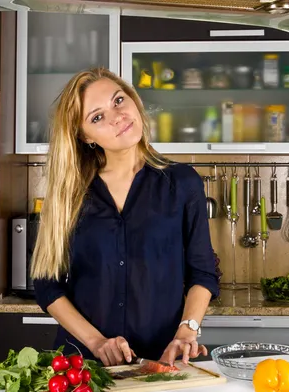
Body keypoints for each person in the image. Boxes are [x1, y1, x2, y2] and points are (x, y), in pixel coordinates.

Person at [30, 67, 219, 367]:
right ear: (84, 136)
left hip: (161, 361)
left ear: (133, 100)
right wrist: (96, 342)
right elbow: (46, 283)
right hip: (83, 368)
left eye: (118, 100)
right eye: (97, 117)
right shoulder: (69, 193)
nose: (117, 116)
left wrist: (187, 331)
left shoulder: (183, 183)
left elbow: (203, 273)